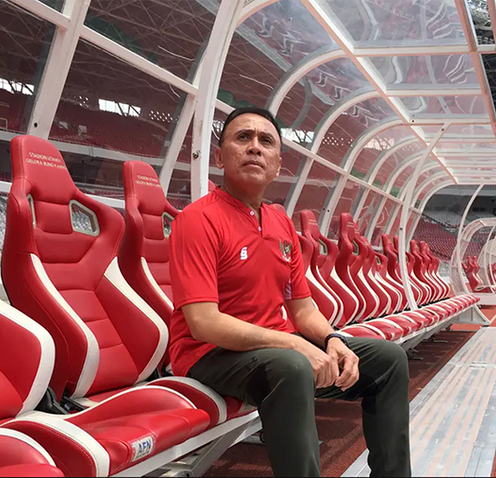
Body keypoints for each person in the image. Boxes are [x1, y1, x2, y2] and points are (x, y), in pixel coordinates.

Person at [168, 107, 411, 477]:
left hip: (271, 352)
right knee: (292, 365)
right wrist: (294, 344)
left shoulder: (280, 221)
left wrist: (332, 339)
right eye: (243, 138)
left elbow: (303, 309)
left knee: (389, 359)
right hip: (209, 354)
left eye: (265, 141)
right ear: (219, 157)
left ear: (278, 165)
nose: (254, 147)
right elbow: (203, 322)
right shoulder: (198, 219)